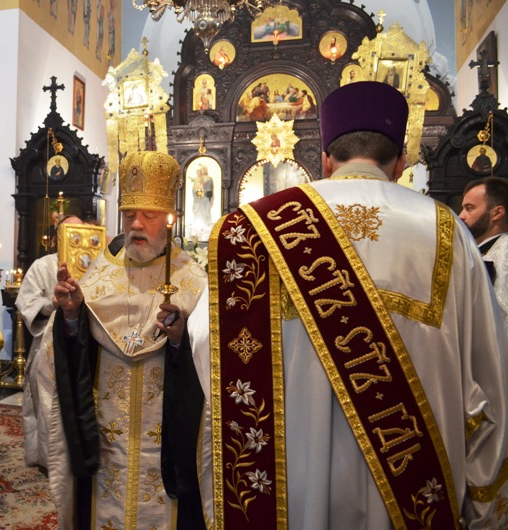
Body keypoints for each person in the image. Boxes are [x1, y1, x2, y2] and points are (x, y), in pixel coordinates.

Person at [188, 82, 508, 529]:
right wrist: (485, 508)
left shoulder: (249, 232)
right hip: (417, 493)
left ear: (325, 159)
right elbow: (490, 377)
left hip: (290, 497)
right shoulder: (447, 232)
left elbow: (208, 345)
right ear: (400, 163)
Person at [42, 151, 208, 529]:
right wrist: (71, 314)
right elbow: (72, 357)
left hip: (166, 435)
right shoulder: (98, 275)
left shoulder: (194, 280)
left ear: (169, 218)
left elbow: (208, 369)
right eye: (129, 213)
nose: (136, 224)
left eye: (149, 215)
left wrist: (179, 339)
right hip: (106, 433)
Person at [16, 214, 84, 469]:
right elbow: (27, 302)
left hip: (86, 343)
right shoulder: (42, 266)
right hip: (49, 345)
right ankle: (49, 460)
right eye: (69, 232)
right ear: (58, 237)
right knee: (48, 403)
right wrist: (52, 304)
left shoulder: (93, 265)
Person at [460, 176, 508, 326]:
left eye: (469, 208)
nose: (461, 216)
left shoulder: (504, 253)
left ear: (497, 213)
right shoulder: (479, 251)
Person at [191, 164, 214, 241]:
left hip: (205, 200)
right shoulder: (198, 179)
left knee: (205, 213)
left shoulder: (209, 179)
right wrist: (196, 191)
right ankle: (197, 232)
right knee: (198, 213)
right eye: (201, 169)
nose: (202, 171)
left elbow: (210, 190)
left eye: (204, 169)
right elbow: (194, 189)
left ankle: (206, 231)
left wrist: (205, 194)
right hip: (198, 200)